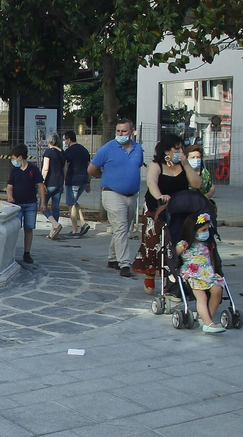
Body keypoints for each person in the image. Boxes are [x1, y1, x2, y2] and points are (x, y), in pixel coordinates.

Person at [135, 133, 204, 276]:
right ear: (167, 151)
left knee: (177, 236)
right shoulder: (156, 165)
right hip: (158, 205)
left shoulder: (183, 166)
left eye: (181, 149)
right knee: (153, 240)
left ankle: (173, 268)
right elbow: (152, 183)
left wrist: (186, 165)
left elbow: (197, 184)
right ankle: (151, 272)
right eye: (176, 149)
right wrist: (160, 196)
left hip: (179, 207)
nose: (180, 152)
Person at [88, 118, 146, 277]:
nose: (120, 134)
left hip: (131, 195)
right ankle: (124, 264)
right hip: (112, 193)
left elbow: (137, 166)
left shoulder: (137, 148)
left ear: (131, 131)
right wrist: (104, 176)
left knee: (123, 228)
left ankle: (113, 258)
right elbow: (91, 169)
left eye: (124, 131)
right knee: (120, 227)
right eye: (118, 131)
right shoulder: (107, 148)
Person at [176, 211, 226, 333]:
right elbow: (173, 258)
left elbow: (212, 260)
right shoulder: (184, 244)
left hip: (207, 273)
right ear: (193, 230)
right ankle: (208, 323)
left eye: (208, 229)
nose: (206, 232)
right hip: (193, 274)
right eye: (203, 230)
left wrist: (214, 271)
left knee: (217, 290)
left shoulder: (208, 244)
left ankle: (208, 319)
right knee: (201, 296)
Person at [6, 145, 45, 264]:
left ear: (20, 157)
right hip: (17, 204)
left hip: (30, 203)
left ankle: (27, 253)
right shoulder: (13, 171)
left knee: (29, 228)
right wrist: (10, 197)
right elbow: (9, 186)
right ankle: (11, 252)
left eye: (13, 158)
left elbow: (41, 186)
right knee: (15, 228)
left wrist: (43, 202)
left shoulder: (33, 170)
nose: (13, 161)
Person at [63, 131, 92, 236]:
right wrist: (88, 182)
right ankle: (83, 223)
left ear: (69, 139)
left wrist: (64, 179)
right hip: (83, 180)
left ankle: (75, 230)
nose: (64, 142)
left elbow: (66, 167)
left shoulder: (68, 151)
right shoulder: (84, 150)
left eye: (65, 139)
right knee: (74, 202)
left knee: (71, 204)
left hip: (72, 180)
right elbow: (89, 167)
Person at [41, 135, 67, 240]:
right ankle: (53, 232)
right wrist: (62, 182)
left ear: (49, 142)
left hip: (49, 183)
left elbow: (45, 168)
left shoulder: (48, 152)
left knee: (42, 205)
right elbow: (65, 169)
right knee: (55, 207)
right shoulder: (63, 153)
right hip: (59, 183)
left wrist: (42, 182)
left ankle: (55, 224)